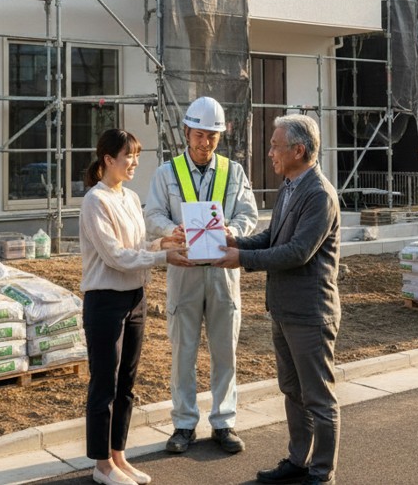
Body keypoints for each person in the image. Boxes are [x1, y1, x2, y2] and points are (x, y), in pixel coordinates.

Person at [213, 114, 341, 485]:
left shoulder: (318, 194)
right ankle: (299, 460)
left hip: (310, 312)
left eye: (275, 145)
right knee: (293, 390)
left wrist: (242, 259)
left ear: (298, 150)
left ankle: (321, 473)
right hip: (285, 309)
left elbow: (297, 251)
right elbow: (273, 236)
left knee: (318, 398)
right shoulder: (291, 185)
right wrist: (236, 241)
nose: (269, 152)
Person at [144, 96, 258, 455]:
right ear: (186, 133)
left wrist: (233, 231)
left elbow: (249, 213)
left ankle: (224, 422)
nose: (205, 141)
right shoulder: (166, 173)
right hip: (186, 271)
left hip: (223, 271)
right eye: (199, 134)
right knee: (183, 350)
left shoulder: (233, 172)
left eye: (212, 135)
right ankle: (184, 423)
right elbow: (152, 215)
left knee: (226, 350)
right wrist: (171, 230)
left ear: (219, 136)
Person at [79, 129, 188, 485]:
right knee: (104, 384)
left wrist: (163, 240)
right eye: (128, 156)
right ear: (108, 160)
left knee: (126, 382)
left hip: (135, 296)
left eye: (137, 155)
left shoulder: (128, 197)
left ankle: (118, 456)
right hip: (105, 300)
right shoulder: (95, 201)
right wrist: (162, 255)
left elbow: (135, 243)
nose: (135, 163)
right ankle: (100, 465)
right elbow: (115, 256)